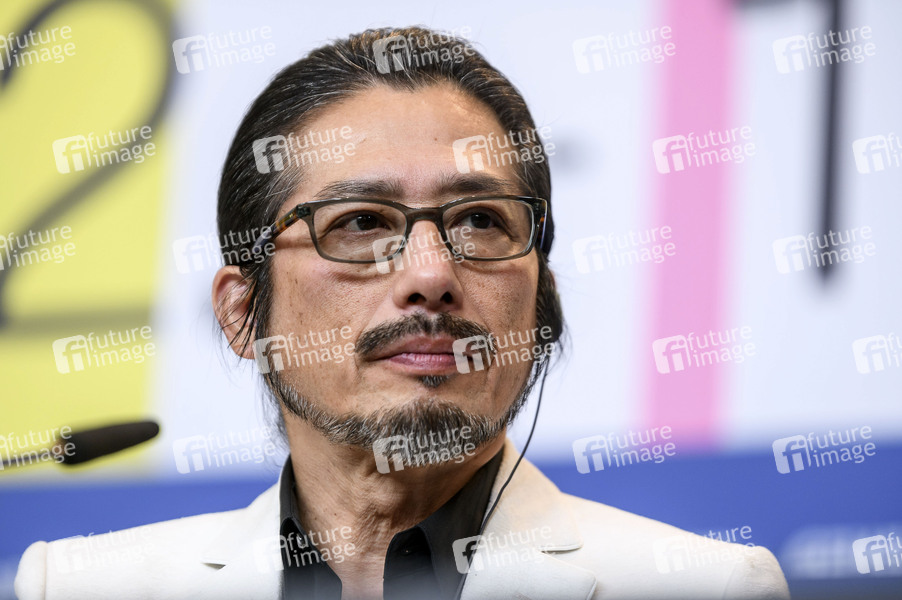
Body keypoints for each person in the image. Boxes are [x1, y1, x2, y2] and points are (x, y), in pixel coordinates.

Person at [15, 26, 790, 600]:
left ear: (541, 302)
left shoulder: (706, 587)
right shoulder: (79, 587)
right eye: (360, 223)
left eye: (481, 221)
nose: (431, 275)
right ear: (244, 313)